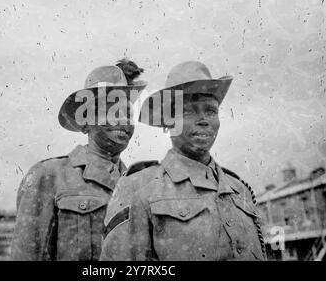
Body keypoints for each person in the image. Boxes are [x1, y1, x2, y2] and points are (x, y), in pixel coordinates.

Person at [100, 61, 266, 261]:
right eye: (188, 111)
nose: (203, 119)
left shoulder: (240, 190)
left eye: (211, 111)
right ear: (168, 121)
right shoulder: (137, 188)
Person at [11, 59, 147, 260]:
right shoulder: (48, 176)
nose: (122, 120)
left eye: (128, 113)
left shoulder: (139, 185)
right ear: (85, 123)